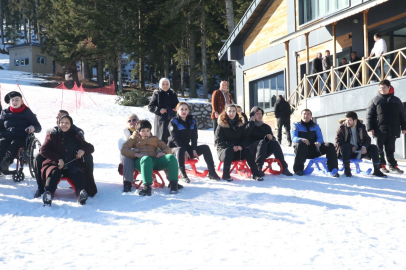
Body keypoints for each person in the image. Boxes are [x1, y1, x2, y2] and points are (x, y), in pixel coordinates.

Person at [34, 109, 94, 198]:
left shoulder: (76, 134)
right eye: (62, 122)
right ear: (58, 123)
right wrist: (58, 159)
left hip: (72, 164)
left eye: (67, 123)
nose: (64, 125)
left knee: (77, 173)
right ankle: (48, 194)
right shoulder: (53, 134)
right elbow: (43, 149)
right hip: (56, 164)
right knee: (53, 173)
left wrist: (83, 150)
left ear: (71, 124)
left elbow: (90, 147)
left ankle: (81, 193)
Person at [121, 120, 180, 196]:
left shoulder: (155, 139)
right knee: (146, 159)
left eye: (148, 130)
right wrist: (136, 154)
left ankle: (174, 185)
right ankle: (147, 187)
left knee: (171, 157)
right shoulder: (134, 138)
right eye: (143, 131)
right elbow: (124, 150)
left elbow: (167, 148)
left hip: (154, 160)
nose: (146, 133)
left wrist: (163, 153)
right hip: (141, 161)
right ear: (138, 131)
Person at [168, 102, 220, 182]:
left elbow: (194, 137)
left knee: (205, 147)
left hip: (186, 147)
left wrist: (194, 149)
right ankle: (182, 174)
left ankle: (212, 172)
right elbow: (175, 139)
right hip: (174, 149)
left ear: (188, 111)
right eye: (181, 109)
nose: (184, 111)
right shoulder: (174, 122)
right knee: (180, 150)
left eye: (186, 109)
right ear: (177, 111)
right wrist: (184, 150)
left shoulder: (192, 121)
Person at [215, 104, 264, 181]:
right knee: (229, 150)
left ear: (236, 112)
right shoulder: (221, 125)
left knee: (247, 150)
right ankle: (226, 175)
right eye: (229, 111)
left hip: (238, 151)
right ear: (226, 112)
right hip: (224, 152)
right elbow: (218, 141)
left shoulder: (240, 124)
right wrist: (232, 146)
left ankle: (256, 174)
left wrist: (241, 146)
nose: (232, 113)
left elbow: (245, 138)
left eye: (234, 111)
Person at [366, 79, 406, 174]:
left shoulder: (396, 101)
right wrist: (370, 128)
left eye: (384, 88)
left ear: (389, 87)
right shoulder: (375, 101)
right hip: (379, 130)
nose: (382, 90)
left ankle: (393, 166)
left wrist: (404, 127)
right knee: (379, 149)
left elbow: (403, 115)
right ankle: (381, 165)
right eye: (380, 88)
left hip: (393, 129)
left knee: (390, 149)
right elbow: (369, 116)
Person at [335, 111, 386, 178]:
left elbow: (367, 139)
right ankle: (347, 170)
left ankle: (377, 170)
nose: (347, 122)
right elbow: (338, 141)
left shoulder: (361, 127)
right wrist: (351, 147)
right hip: (346, 152)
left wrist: (364, 146)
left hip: (359, 151)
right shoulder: (342, 128)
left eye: (349, 120)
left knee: (374, 147)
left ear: (355, 120)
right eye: (347, 120)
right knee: (346, 146)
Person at [0, 91, 41, 173]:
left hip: (22, 136)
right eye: (12, 100)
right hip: (7, 136)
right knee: (2, 143)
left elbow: (38, 127)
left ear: (22, 101)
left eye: (17, 100)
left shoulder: (27, 112)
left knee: (14, 144)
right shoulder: (5, 113)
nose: (15, 102)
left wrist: (32, 127)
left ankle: (6, 162)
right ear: (9, 102)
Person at [291, 109, 339, 177]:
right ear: (301, 116)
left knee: (330, 145)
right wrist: (301, 139)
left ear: (311, 116)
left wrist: (318, 142)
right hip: (302, 150)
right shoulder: (296, 126)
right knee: (302, 144)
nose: (306, 116)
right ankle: (298, 169)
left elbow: (320, 138)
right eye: (304, 114)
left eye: (308, 114)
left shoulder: (315, 126)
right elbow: (293, 138)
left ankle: (333, 169)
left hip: (315, 149)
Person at [248, 106, 293, 176]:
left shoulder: (266, 127)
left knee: (274, 143)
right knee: (261, 142)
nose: (260, 115)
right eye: (257, 113)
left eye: (261, 113)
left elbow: (272, 139)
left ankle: (284, 167)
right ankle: (258, 168)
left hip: (263, 151)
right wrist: (251, 123)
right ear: (252, 115)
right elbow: (245, 136)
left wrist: (271, 138)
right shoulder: (248, 125)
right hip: (252, 151)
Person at [148, 78, 179, 144]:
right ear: (160, 85)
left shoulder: (173, 94)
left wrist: (177, 108)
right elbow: (150, 107)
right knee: (161, 139)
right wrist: (159, 110)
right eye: (163, 84)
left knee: (172, 137)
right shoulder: (156, 94)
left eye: (167, 84)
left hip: (172, 119)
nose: (165, 86)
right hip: (161, 121)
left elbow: (178, 105)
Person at [118, 113, 139, 192]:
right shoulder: (123, 135)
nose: (132, 122)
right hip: (129, 156)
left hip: (142, 155)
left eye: (134, 119)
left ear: (138, 121)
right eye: (129, 121)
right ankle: (127, 184)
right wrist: (134, 150)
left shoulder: (144, 131)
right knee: (128, 157)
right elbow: (122, 148)